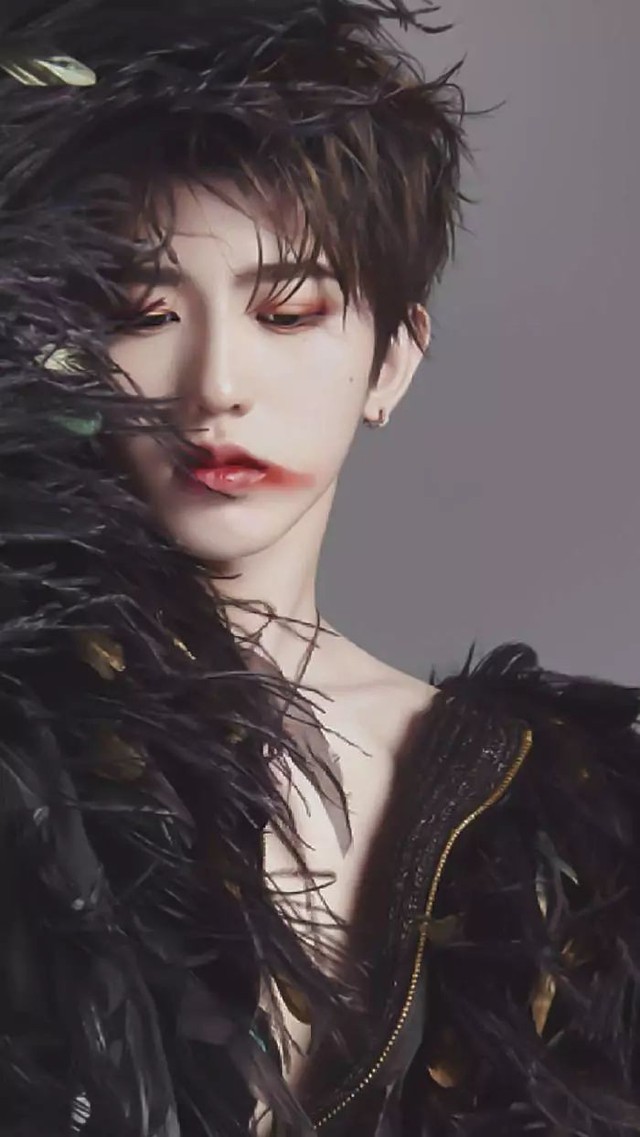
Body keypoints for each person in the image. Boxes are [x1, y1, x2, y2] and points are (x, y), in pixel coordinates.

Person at [1, 2, 639, 1135]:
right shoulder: (23, 739)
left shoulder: (565, 814)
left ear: (391, 361)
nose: (216, 385)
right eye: (141, 312)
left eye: (289, 312)